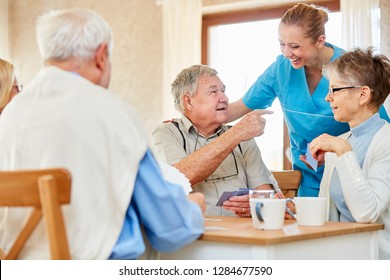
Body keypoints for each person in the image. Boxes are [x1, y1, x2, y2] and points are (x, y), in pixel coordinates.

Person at [0, 8, 205, 260]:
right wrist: (192, 209)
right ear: (101, 56)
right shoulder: (110, 113)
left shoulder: (9, 116)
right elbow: (169, 228)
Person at [226, 2, 390, 197]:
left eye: (295, 46)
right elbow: (236, 108)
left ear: (320, 41)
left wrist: (336, 152)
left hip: (354, 172)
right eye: (282, 44)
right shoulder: (281, 69)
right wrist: (187, 118)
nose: (286, 53)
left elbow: (376, 128)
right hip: (310, 172)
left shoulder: (348, 69)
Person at [152, 64, 279, 217]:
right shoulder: (167, 133)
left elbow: (266, 195)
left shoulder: (243, 136)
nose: (224, 98)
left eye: (223, 91)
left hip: (243, 233)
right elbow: (179, 177)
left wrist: (257, 202)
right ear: (188, 102)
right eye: (213, 92)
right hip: (200, 235)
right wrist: (236, 134)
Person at [309, 47, 390, 259]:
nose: (328, 98)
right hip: (340, 256)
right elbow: (329, 211)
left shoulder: (385, 141)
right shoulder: (342, 142)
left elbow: (367, 213)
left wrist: (344, 153)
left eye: (334, 90)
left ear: (363, 94)